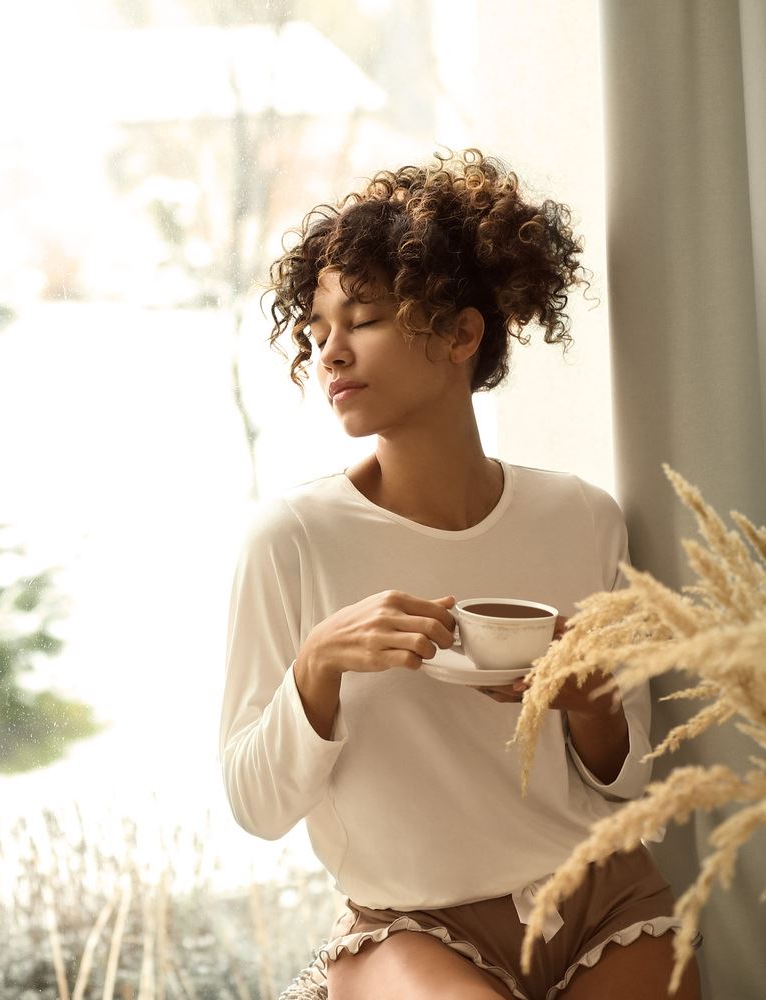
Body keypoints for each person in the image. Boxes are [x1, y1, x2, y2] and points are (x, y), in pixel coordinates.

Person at [218, 148, 702, 1000]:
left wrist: (588, 701)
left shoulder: (582, 518)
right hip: (415, 927)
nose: (329, 352)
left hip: (603, 900)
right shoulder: (291, 540)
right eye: (318, 327)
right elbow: (256, 807)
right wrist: (317, 665)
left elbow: (628, 782)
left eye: (360, 318)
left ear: (459, 333)